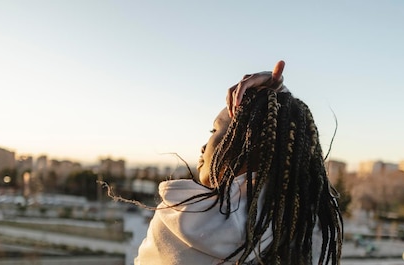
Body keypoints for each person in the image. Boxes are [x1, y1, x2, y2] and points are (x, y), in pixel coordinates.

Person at [134, 61, 343, 265]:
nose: (203, 147)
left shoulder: (182, 221)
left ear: (249, 141)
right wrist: (277, 98)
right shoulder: (302, 223)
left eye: (214, 131)